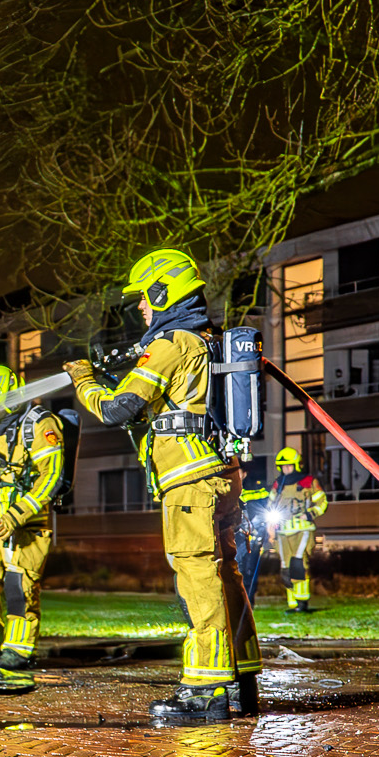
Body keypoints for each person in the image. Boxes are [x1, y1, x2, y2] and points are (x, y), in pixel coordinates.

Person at [65, 249, 261, 723]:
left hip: (190, 481)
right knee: (225, 572)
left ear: (162, 291)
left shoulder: (172, 343)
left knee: (196, 574)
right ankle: (243, 677)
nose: (139, 308)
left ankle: (207, 689)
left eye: (143, 298)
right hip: (222, 474)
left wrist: (83, 380)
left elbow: (115, 409)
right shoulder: (206, 340)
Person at [0, 363, 65, 685]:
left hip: (25, 524)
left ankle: (18, 649)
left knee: (20, 586)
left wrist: (15, 515)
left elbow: (52, 477)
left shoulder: (41, 424)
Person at [271, 446, 330, 612]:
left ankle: (302, 602)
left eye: (289, 466)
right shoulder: (278, 485)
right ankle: (292, 604)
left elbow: (322, 502)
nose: (286, 469)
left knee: (299, 564)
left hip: (302, 529)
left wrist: (309, 514)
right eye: (283, 466)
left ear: (296, 465)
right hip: (282, 531)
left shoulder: (308, 482)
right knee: (285, 567)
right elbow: (271, 504)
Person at [237, 464, 273, 599]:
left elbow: (266, 509)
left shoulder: (257, 491)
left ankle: (248, 603)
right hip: (235, 537)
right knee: (236, 570)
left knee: (250, 571)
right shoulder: (228, 490)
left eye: (238, 472)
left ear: (245, 473)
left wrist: (264, 532)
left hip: (253, 537)